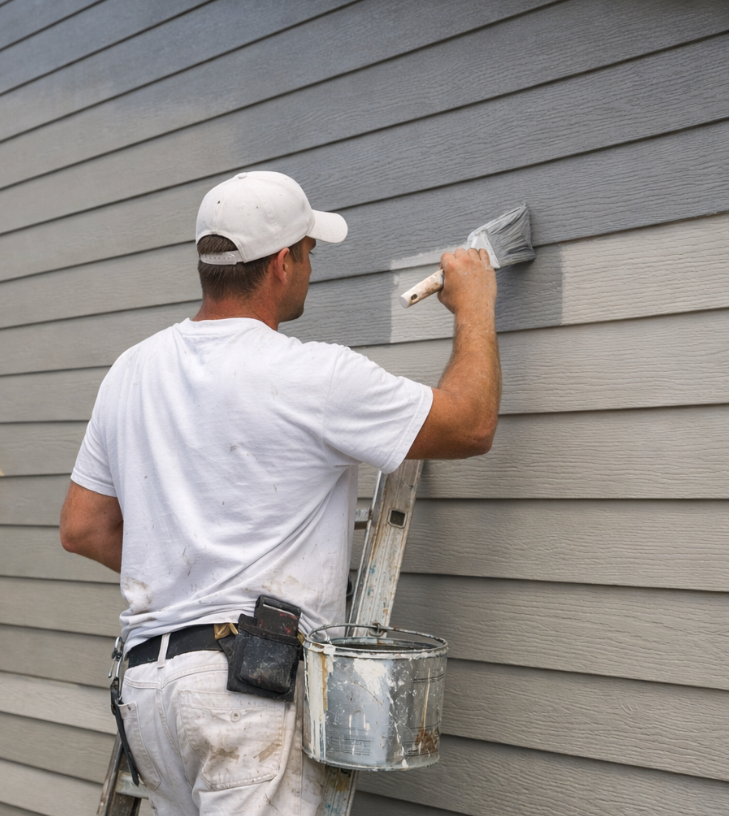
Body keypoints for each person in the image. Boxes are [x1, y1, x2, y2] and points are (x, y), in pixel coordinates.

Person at [59, 170, 500, 816]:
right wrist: (477, 306)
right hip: (244, 697)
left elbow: (84, 528)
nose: (311, 266)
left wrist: (187, 567)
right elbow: (470, 422)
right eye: (309, 252)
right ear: (281, 265)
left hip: (149, 695)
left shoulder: (132, 370)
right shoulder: (310, 375)